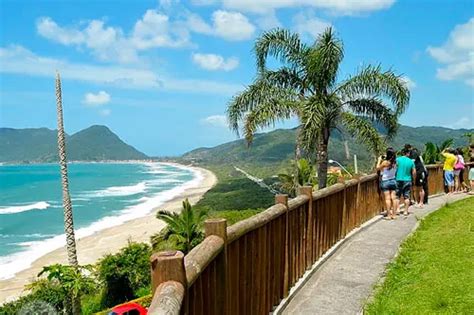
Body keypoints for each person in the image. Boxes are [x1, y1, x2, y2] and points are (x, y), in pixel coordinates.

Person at [377, 148, 397, 219]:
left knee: (387, 199)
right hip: (393, 180)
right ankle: (394, 215)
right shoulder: (395, 162)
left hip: (386, 181)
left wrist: (379, 160)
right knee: (394, 198)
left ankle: (389, 215)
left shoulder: (385, 162)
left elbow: (378, 168)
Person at [395, 148, 416, 216]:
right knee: (406, 196)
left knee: (397, 196)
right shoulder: (411, 161)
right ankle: (405, 211)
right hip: (407, 179)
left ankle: (397, 209)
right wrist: (414, 179)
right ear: (408, 153)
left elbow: (395, 168)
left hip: (398, 179)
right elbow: (414, 172)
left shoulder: (398, 159)